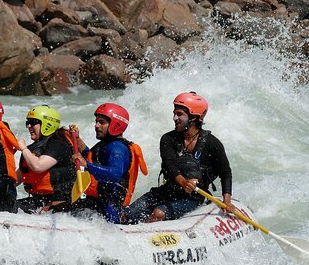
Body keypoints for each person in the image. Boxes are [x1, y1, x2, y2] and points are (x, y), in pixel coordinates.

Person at [125, 92, 234, 223]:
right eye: (174, 113)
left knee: (158, 213)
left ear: (194, 117)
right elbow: (168, 165)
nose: (175, 118)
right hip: (167, 192)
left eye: (180, 114)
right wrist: (183, 182)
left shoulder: (212, 143)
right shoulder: (168, 139)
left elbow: (225, 172)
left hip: (193, 198)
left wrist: (227, 200)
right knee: (126, 214)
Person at [55, 103, 147, 224]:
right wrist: (77, 139)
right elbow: (92, 156)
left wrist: (87, 165)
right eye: (96, 121)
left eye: (102, 122)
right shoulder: (108, 144)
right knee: (55, 206)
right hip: (98, 202)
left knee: (53, 209)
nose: (96, 125)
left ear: (116, 125)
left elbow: (114, 174)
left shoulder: (117, 148)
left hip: (109, 209)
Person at [16, 105, 76, 214]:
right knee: (5, 206)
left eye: (33, 122)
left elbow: (38, 166)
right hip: (39, 201)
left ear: (48, 124)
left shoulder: (58, 144)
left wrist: (23, 148)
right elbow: (16, 179)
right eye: (27, 123)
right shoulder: (34, 148)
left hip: (59, 202)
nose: (29, 126)